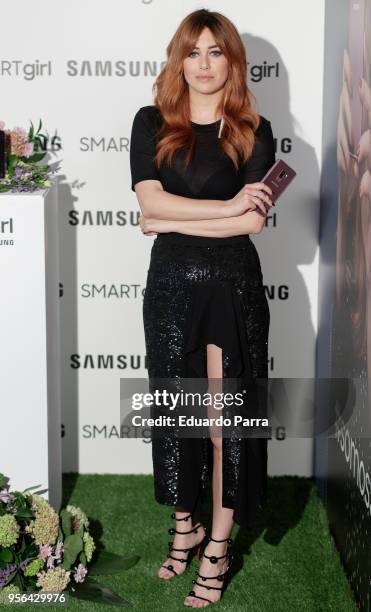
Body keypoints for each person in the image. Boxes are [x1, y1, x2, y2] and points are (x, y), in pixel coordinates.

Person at [130, 8, 275, 608]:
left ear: (232, 61)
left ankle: (217, 546)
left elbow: (255, 222)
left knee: (221, 428)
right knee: (179, 416)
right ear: (179, 59)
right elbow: (146, 210)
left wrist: (181, 214)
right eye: (195, 52)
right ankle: (184, 525)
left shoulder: (253, 129)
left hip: (231, 287)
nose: (206, 63)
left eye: (217, 52)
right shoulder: (151, 122)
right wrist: (227, 208)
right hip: (169, 287)